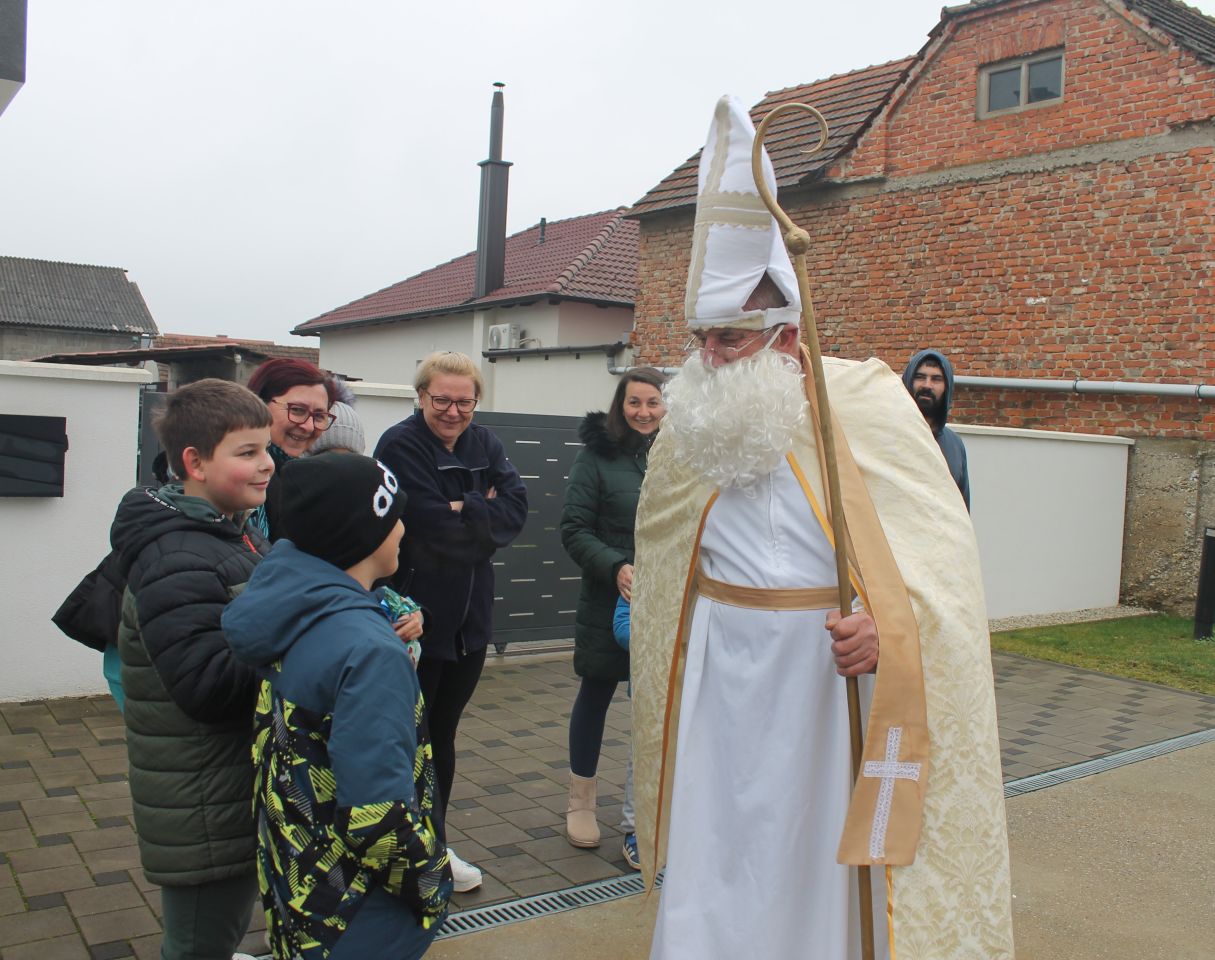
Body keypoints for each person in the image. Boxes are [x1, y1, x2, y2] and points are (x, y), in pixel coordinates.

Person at [631, 96, 1013, 960]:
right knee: (717, 850)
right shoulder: (692, 427)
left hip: (821, 684)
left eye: (729, 339)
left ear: (786, 331)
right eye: (700, 340)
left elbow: (938, 570)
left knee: (809, 859)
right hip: (718, 683)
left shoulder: (867, 406)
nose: (709, 361)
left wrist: (886, 627)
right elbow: (663, 570)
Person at [222, 453, 452, 959]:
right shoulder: (369, 651)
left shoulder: (292, 608)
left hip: (299, 888)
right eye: (394, 517)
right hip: (361, 915)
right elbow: (377, 816)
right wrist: (433, 882)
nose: (402, 528)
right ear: (362, 535)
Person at [108, 378, 273, 960]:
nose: (267, 464)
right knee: (199, 941)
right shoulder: (179, 556)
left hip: (217, 792)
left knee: (216, 936)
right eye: (247, 452)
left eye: (267, 449)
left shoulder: (222, 535)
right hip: (203, 804)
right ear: (194, 463)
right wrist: (298, 647)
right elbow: (206, 686)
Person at [373, 351, 528, 893]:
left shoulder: (485, 443)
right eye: (441, 399)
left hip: (470, 621)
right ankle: (400, 852)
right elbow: (424, 523)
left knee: (443, 734)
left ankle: (433, 843)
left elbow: (517, 509)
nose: (453, 411)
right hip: (417, 619)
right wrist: (474, 508)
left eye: (465, 401)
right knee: (406, 739)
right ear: (421, 397)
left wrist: (466, 511)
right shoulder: (400, 444)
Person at [559, 368, 666, 866]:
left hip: (664, 600)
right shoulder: (595, 457)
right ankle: (581, 802)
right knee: (597, 693)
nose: (643, 412)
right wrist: (615, 566)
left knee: (652, 707)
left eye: (653, 403)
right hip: (609, 599)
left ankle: (640, 812)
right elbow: (574, 529)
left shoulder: (677, 455)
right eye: (634, 402)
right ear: (619, 405)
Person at [246, 358, 338, 540]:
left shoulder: (302, 482)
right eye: (297, 410)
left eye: (319, 416)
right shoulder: (239, 478)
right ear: (259, 404)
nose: (309, 426)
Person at [903, 349, 971, 510]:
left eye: (936, 379)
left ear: (946, 387)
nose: (927, 385)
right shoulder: (889, 434)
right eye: (920, 377)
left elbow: (962, 510)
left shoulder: (955, 445)